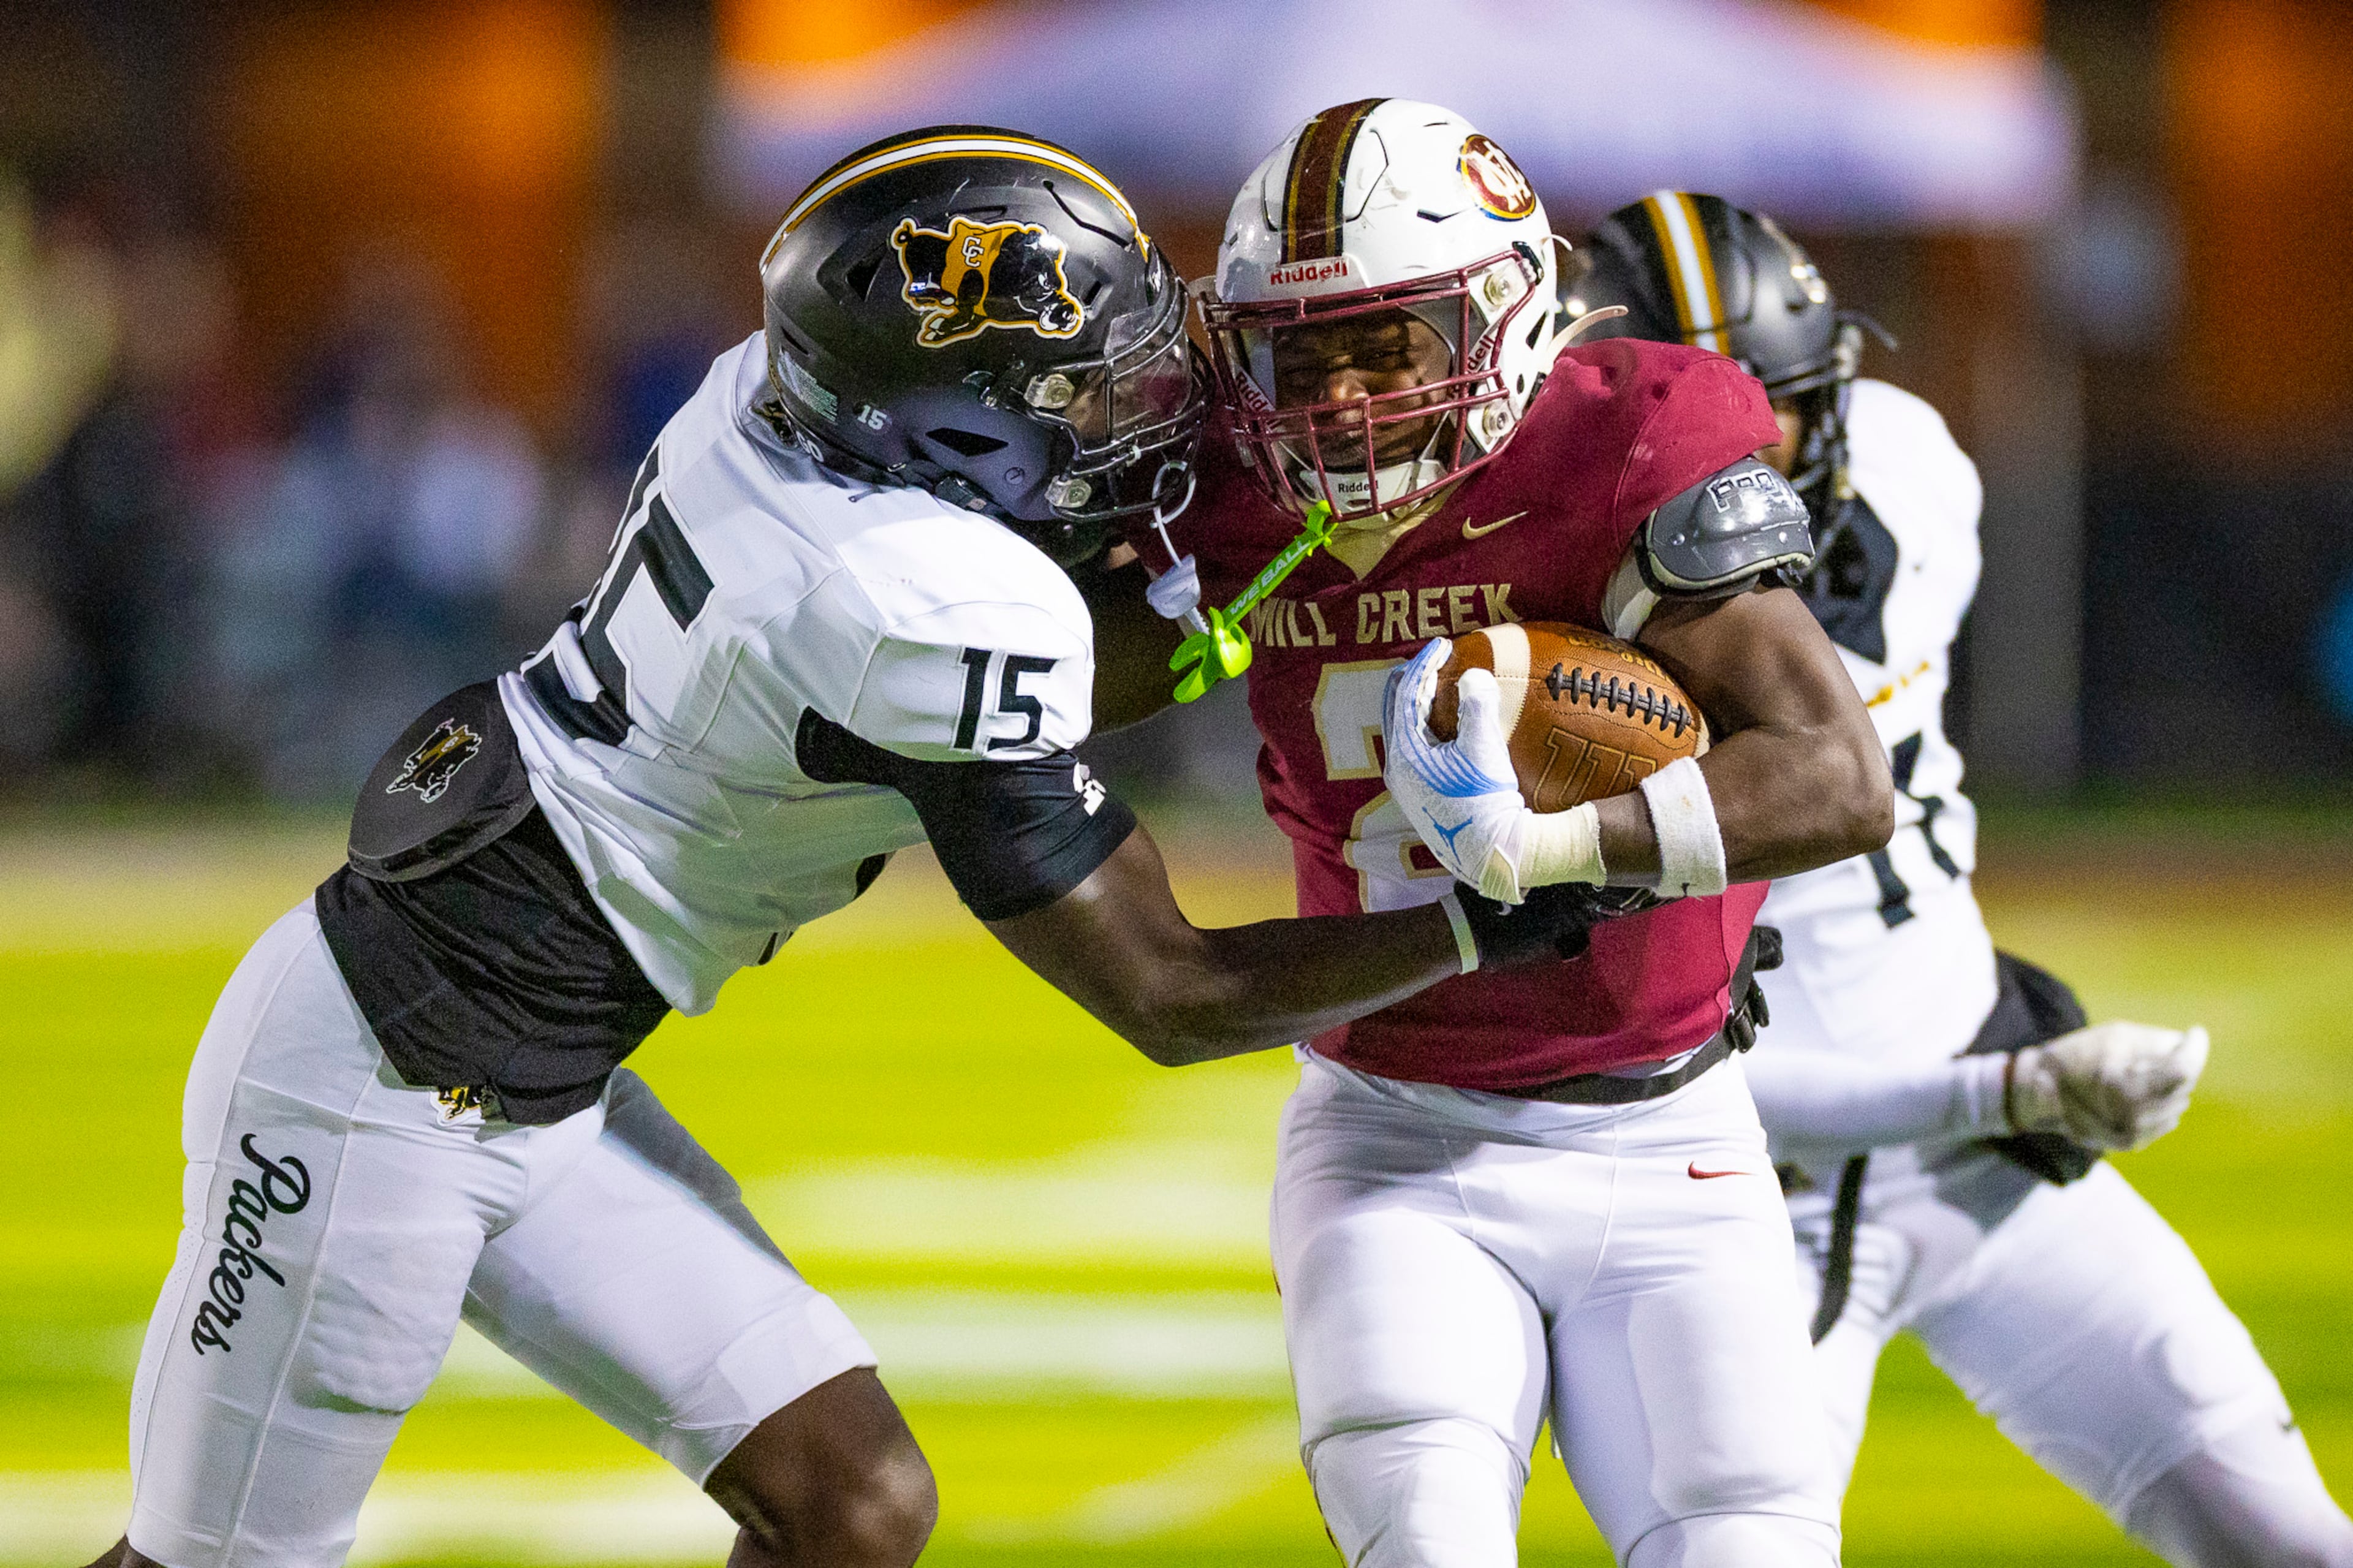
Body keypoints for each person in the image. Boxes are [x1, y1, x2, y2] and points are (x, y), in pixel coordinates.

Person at [80, 128, 1618, 1568]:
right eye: (1089, 387)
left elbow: (1048, 654)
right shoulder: (908, 600)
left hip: (535, 1054)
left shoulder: (777, 399)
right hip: (389, 1085)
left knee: (853, 1504)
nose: (1135, 411)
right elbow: (1171, 987)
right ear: (944, 419)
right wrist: (1483, 920)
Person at [1139, 99, 1893, 1568]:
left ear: (1503, 311)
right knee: (1425, 1540)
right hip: (1393, 1132)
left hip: (1674, 1128)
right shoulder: (1214, 492)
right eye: (1305, 353)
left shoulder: (1620, 448)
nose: (1343, 402)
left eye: (1387, 345)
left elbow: (1836, 776)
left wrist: (1571, 842)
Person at [1571, 189, 2353, 1568]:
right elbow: (1644, 1060)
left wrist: (1993, 1078)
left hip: (1991, 1148)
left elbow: (1827, 692)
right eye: (1706, 456)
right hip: (1743, 1201)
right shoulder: (1546, 661)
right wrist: (2008, 1085)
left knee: (2288, 1539)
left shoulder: (1907, 463)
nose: (1750, 493)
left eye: (1783, 425)